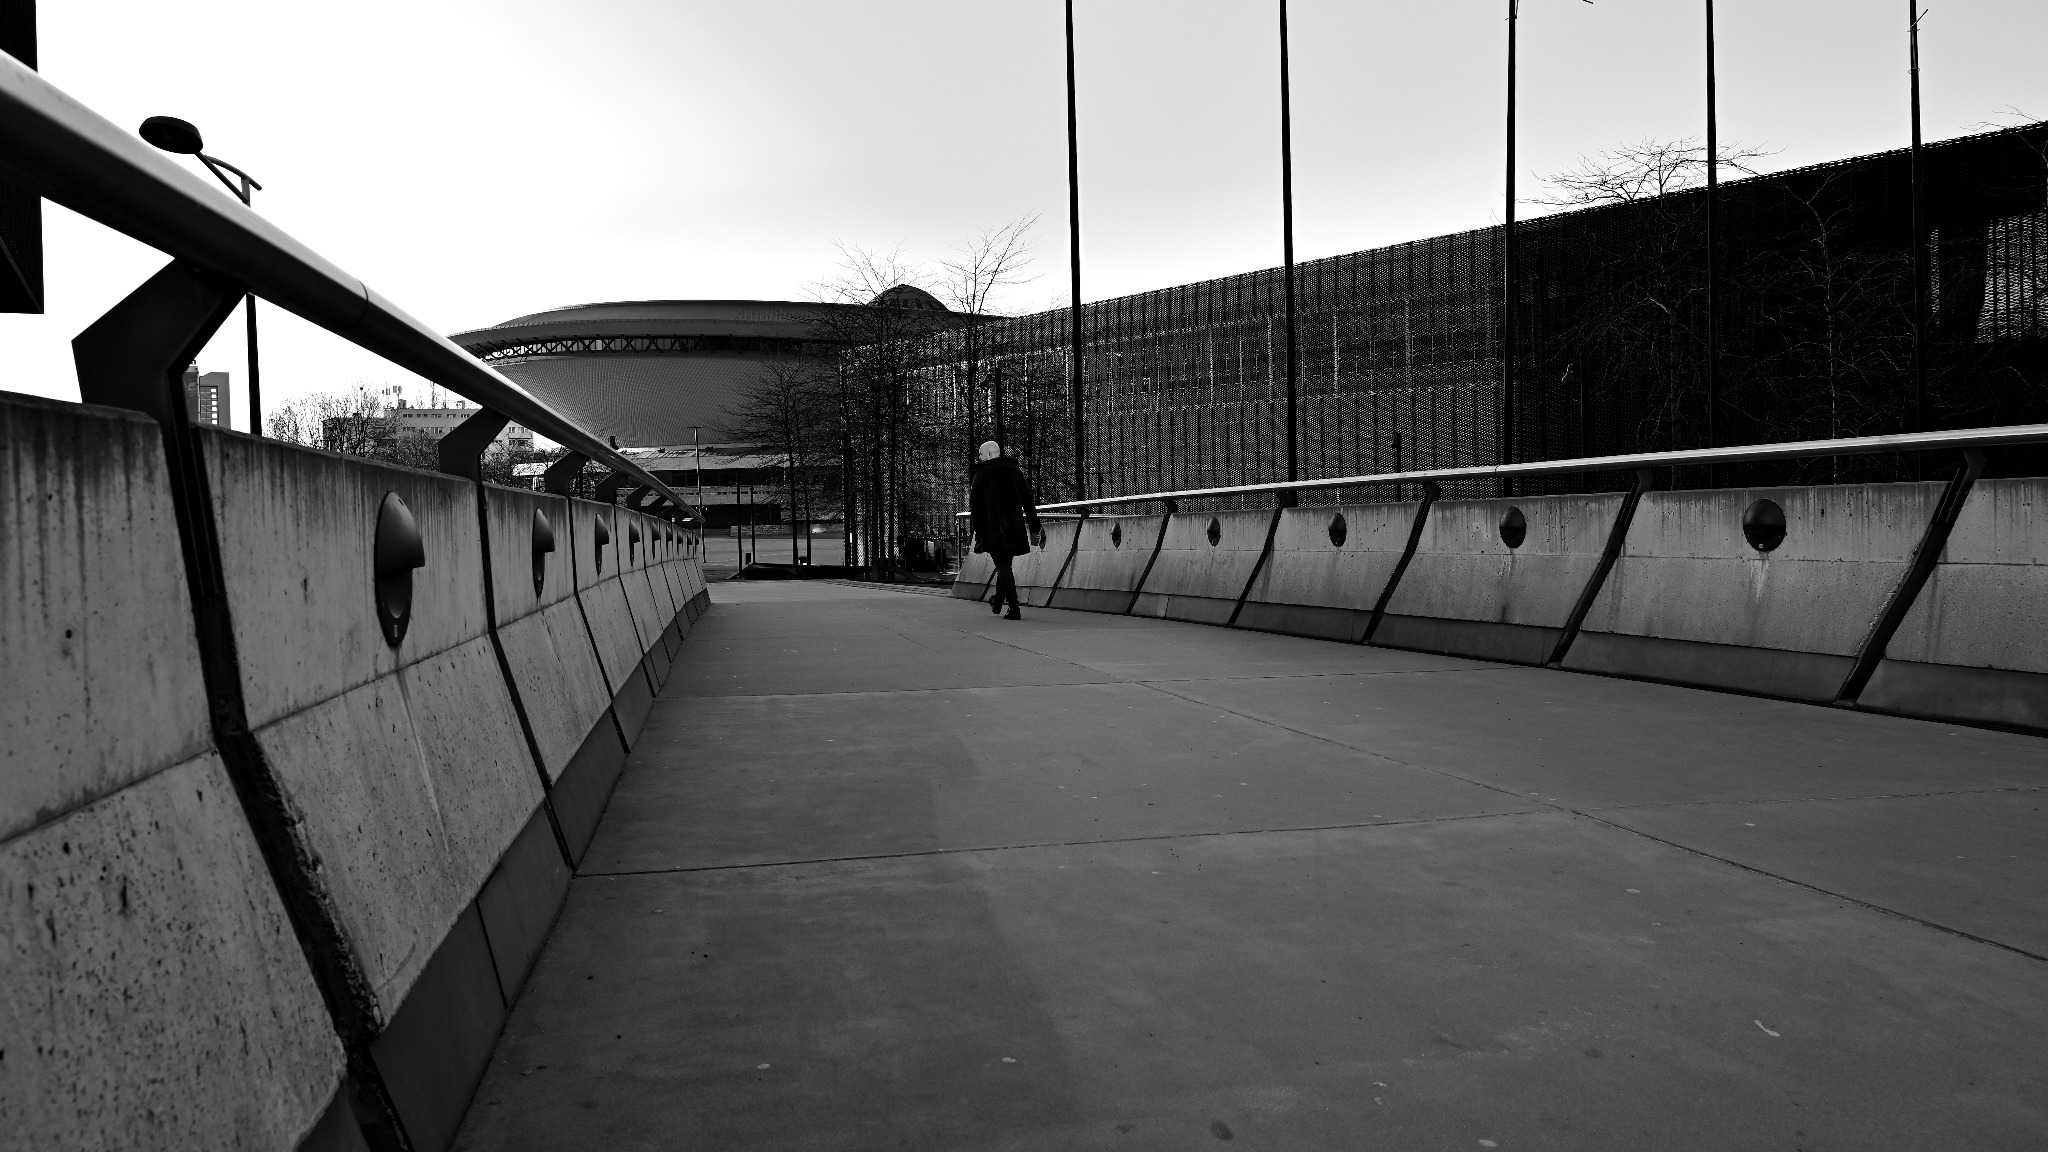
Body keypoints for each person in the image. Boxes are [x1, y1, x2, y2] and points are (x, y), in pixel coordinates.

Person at [968, 440, 1042, 619]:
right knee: (1005, 565)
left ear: (990, 454)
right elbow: (1027, 498)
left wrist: (977, 529)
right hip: (1013, 528)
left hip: (992, 529)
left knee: (1002, 566)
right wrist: (1034, 526)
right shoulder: (1014, 471)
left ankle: (1014, 607)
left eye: (981, 454)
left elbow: (975, 504)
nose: (979, 457)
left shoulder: (982, 474)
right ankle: (998, 599)